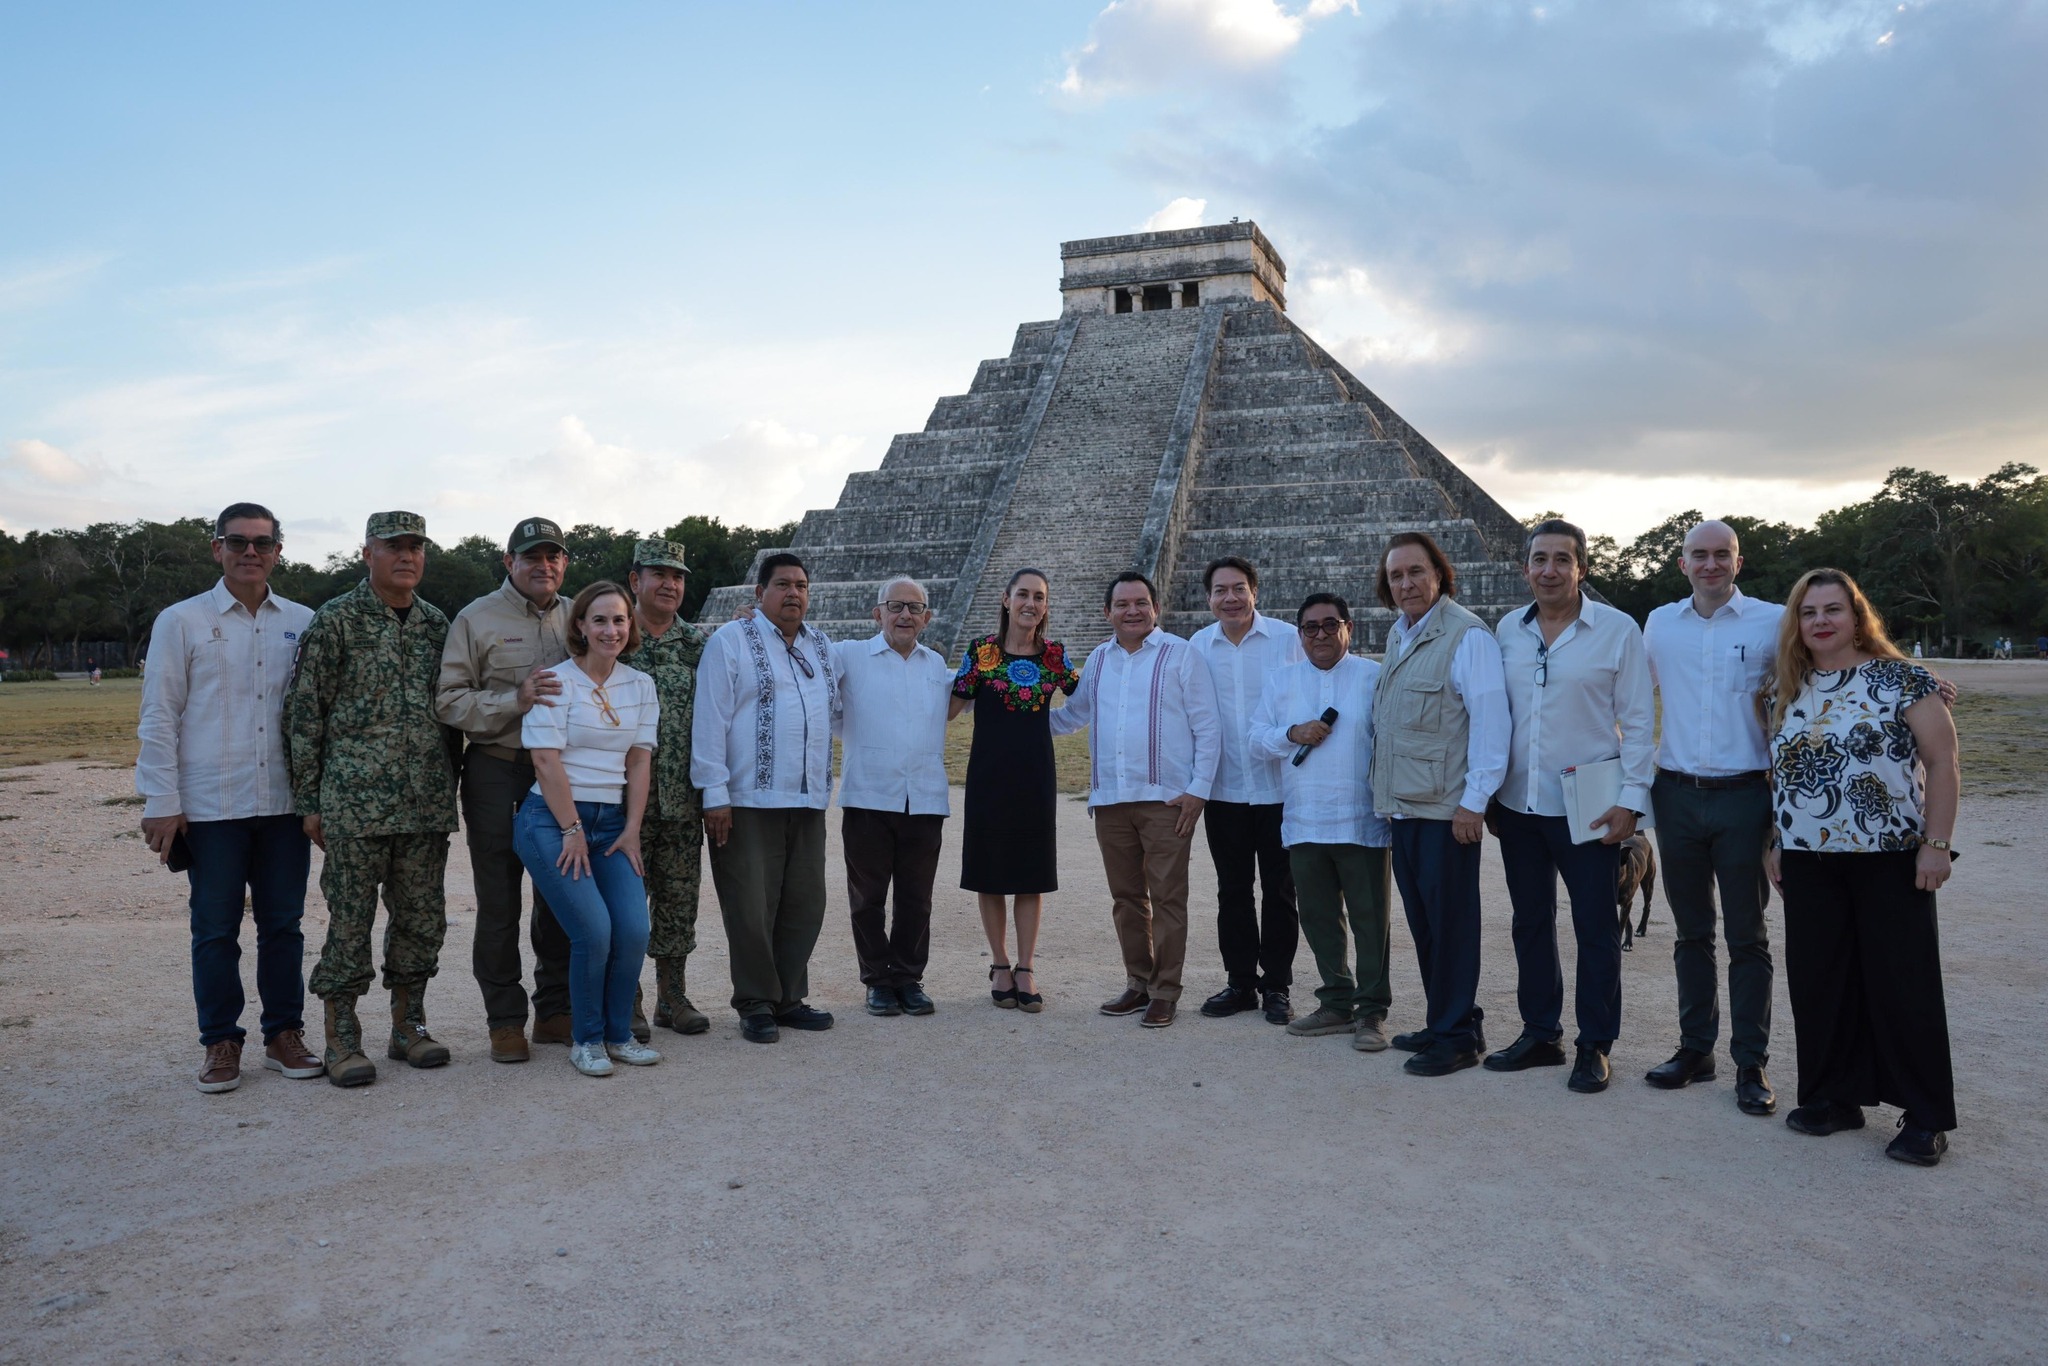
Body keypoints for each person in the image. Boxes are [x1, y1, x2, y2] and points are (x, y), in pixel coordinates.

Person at [1763, 569, 1959, 1166]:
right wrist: (1777, 838)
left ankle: (1925, 1117)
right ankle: (1834, 1097)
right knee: (1820, 983)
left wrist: (1938, 844)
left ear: (1856, 616)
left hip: (1890, 858)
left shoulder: (1903, 679)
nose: (1821, 621)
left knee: (1904, 984)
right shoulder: (1784, 688)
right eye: (1808, 611)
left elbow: (1944, 762)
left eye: (1833, 609)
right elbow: (1782, 771)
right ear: (1796, 623)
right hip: (1808, 861)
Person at [137, 501, 322, 1093]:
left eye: (262, 543)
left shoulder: (303, 620)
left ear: (277, 552)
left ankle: (282, 1034)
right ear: (216, 548)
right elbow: (159, 715)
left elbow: (315, 716)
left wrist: (318, 798)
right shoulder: (182, 621)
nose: (250, 552)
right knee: (215, 929)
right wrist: (160, 799)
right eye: (237, 541)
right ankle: (220, 1041)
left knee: (284, 926)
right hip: (211, 807)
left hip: (282, 804)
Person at [284, 512, 461, 1088]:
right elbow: (305, 715)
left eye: (416, 548)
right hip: (355, 806)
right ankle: (342, 1038)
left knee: (420, 921)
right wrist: (310, 801)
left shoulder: (438, 625)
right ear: (367, 554)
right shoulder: (336, 620)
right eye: (394, 548)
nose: (407, 557)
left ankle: (408, 1027)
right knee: (350, 923)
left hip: (425, 804)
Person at [1487, 519, 1655, 1094]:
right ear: (1525, 567)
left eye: (1563, 559)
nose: (1550, 570)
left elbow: (1637, 723)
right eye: (1540, 559)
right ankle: (1541, 1032)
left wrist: (1632, 803)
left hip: (1590, 807)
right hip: (1519, 803)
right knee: (1530, 922)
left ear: (1582, 567)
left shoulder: (1616, 630)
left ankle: (1595, 1044)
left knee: (1596, 927)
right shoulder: (1508, 629)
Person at [1639, 519, 1786, 1112]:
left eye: (1721, 554)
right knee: (1691, 932)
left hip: (1745, 794)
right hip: (1675, 793)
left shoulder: (1773, 621)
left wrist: (1916, 675)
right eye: (1698, 555)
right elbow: (1617, 686)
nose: (1710, 565)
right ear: (1682, 564)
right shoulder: (1659, 625)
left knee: (1747, 935)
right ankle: (1696, 1048)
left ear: (1738, 561)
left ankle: (1751, 1063)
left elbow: (1843, 649)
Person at [1051, 571, 1220, 1029]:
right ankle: (1138, 982)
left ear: (1155, 609)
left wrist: (1197, 791)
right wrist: (1015, 715)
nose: (1132, 611)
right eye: (1122, 604)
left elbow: (1208, 727)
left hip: (1166, 800)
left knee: (1168, 898)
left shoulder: (1181, 655)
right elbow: (1072, 717)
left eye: (1140, 603)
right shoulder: (1099, 661)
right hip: (1110, 799)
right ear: (1107, 612)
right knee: (1126, 899)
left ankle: (1166, 991)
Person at [436, 517, 577, 1063]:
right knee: (499, 902)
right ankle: (504, 1020)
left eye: (553, 556)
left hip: (561, 773)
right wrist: (511, 702)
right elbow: (448, 700)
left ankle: (555, 1009)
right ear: (509, 562)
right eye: (532, 557)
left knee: (560, 893)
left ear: (563, 562)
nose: (544, 566)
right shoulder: (476, 618)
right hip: (498, 767)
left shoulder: (578, 614)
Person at [1369, 531, 1509, 1077]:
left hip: (1446, 812)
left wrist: (1473, 804)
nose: (1406, 583)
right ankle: (1449, 1018)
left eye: (1416, 572)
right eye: (1396, 575)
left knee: (1451, 925)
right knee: (1426, 924)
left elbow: (1492, 728)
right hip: (1404, 807)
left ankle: (1455, 1038)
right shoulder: (1399, 635)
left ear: (1439, 575)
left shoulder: (1467, 637)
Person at [513, 582, 663, 1077]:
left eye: (619, 620)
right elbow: (544, 759)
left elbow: (639, 762)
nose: (611, 629)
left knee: (634, 929)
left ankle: (620, 1035)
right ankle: (588, 1039)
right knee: (594, 932)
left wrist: (633, 828)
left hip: (612, 824)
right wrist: (571, 828)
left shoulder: (640, 685)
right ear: (580, 625)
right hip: (551, 820)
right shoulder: (556, 681)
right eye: (599, 620)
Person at [691, 553, 839, 1043]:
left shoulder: (820, 645)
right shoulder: (730, 641)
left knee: (805, 902)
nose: (793, 593)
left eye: (801, 585)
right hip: (747, 799)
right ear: (759, 594)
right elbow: (710, 721)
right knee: (751, 904)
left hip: (807, 798)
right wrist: (715, 795)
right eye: (781, 584)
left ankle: (789, 997)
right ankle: (755, 1001)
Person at [1249, 594, 1394, 1050]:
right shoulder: (1282, 681)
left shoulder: (1374, 677)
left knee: (1371, 920)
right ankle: (1336, 1001)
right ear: (1299, 635)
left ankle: (1371, 1012)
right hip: (1305, 818)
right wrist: (1292, 733)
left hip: (1362, 821)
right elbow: (1255, 739)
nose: (1321, 635)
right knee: (1317, 917)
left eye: (1330, 625)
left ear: (1348, 628)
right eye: (1310, 627)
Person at [951, 568, 1081, 1013]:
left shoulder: (1054, 657)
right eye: (1023, 594)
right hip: (988, 777)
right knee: (990, 873)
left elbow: (1083, 703)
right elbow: (949, 707)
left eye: (1039, 596)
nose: (1031, 603)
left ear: (1046, 605)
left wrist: (1053, 726)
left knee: (1031, 874)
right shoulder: (982, 652)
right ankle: (1000, 963)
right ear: (1006, 599)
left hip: (1035, 778)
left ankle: (1026, 967)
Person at [1188, 557, 1304, 1025]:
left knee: (1280, 891)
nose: (1230, 598)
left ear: (1255, 591)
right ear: (1209, 598)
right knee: (1231, 890)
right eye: (1220, 590)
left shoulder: (1286, 639)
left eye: (1239, 588)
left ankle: (1276, 984)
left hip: (1279, 788)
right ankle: (1239, 983)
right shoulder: (1197, 646)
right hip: (1224, 788)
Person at [836, 577, 953, 1016]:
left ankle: (908, 977)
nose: (905, 615)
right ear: (877, 613)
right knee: (867, 898)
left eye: (915, 608)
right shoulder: (850, 655)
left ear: (927, 617)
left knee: (916, 898)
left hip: (922, 797)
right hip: (869, 794)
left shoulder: (935, 664)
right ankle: (877, 980)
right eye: (895, 606)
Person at [621, 538, 712, 1037]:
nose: (670, 584)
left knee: (678, 902)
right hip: (621, 804)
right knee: (626, 906)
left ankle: (672, 997)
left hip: (680, 800)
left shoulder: (699, 646)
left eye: (677, 576)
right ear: (636, 581)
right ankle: (628, 999)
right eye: (659, 574)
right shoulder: (612, 637)